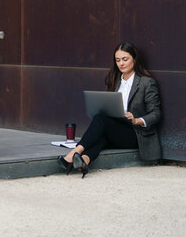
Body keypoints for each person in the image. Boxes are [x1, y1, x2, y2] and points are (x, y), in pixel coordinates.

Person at [58, 42, 162, 178]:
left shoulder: (146, 83)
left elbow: (156, 114)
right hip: (116, 128)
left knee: (101, 120)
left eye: (125, 59)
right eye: (118, 60)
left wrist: (137, 120)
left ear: (134, 59)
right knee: (102, 131)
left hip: (135, 133)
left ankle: (72, 154)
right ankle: (84, 160)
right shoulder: (115, 80)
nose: (121, 64)